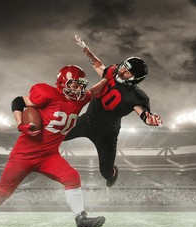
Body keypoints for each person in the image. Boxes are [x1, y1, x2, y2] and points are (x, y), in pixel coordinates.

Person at [0, 65, 108, 227]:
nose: (78, 89)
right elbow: (18, 101)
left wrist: (109, 77)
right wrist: (20, 124)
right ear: (62, 83)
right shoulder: (47, 93)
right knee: (2, 192)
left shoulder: (80, 98)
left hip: (49, 155)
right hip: (24, 154)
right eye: (74, 85)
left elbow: (94, 91)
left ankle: (81, 221)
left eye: (80, 85)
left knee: (72, 176)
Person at [64, 35, 162, 188]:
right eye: (123, 67)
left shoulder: (136, 96)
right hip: (87, 120)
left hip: (107, 134)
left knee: (106, 172)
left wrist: (150, 120)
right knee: (57, 135)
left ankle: (113, 173)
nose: (122, 71)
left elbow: (142, 113)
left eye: (128, 72)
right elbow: (100, 67)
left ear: (136, 78)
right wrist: (87, 52)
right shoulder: (114, 71)